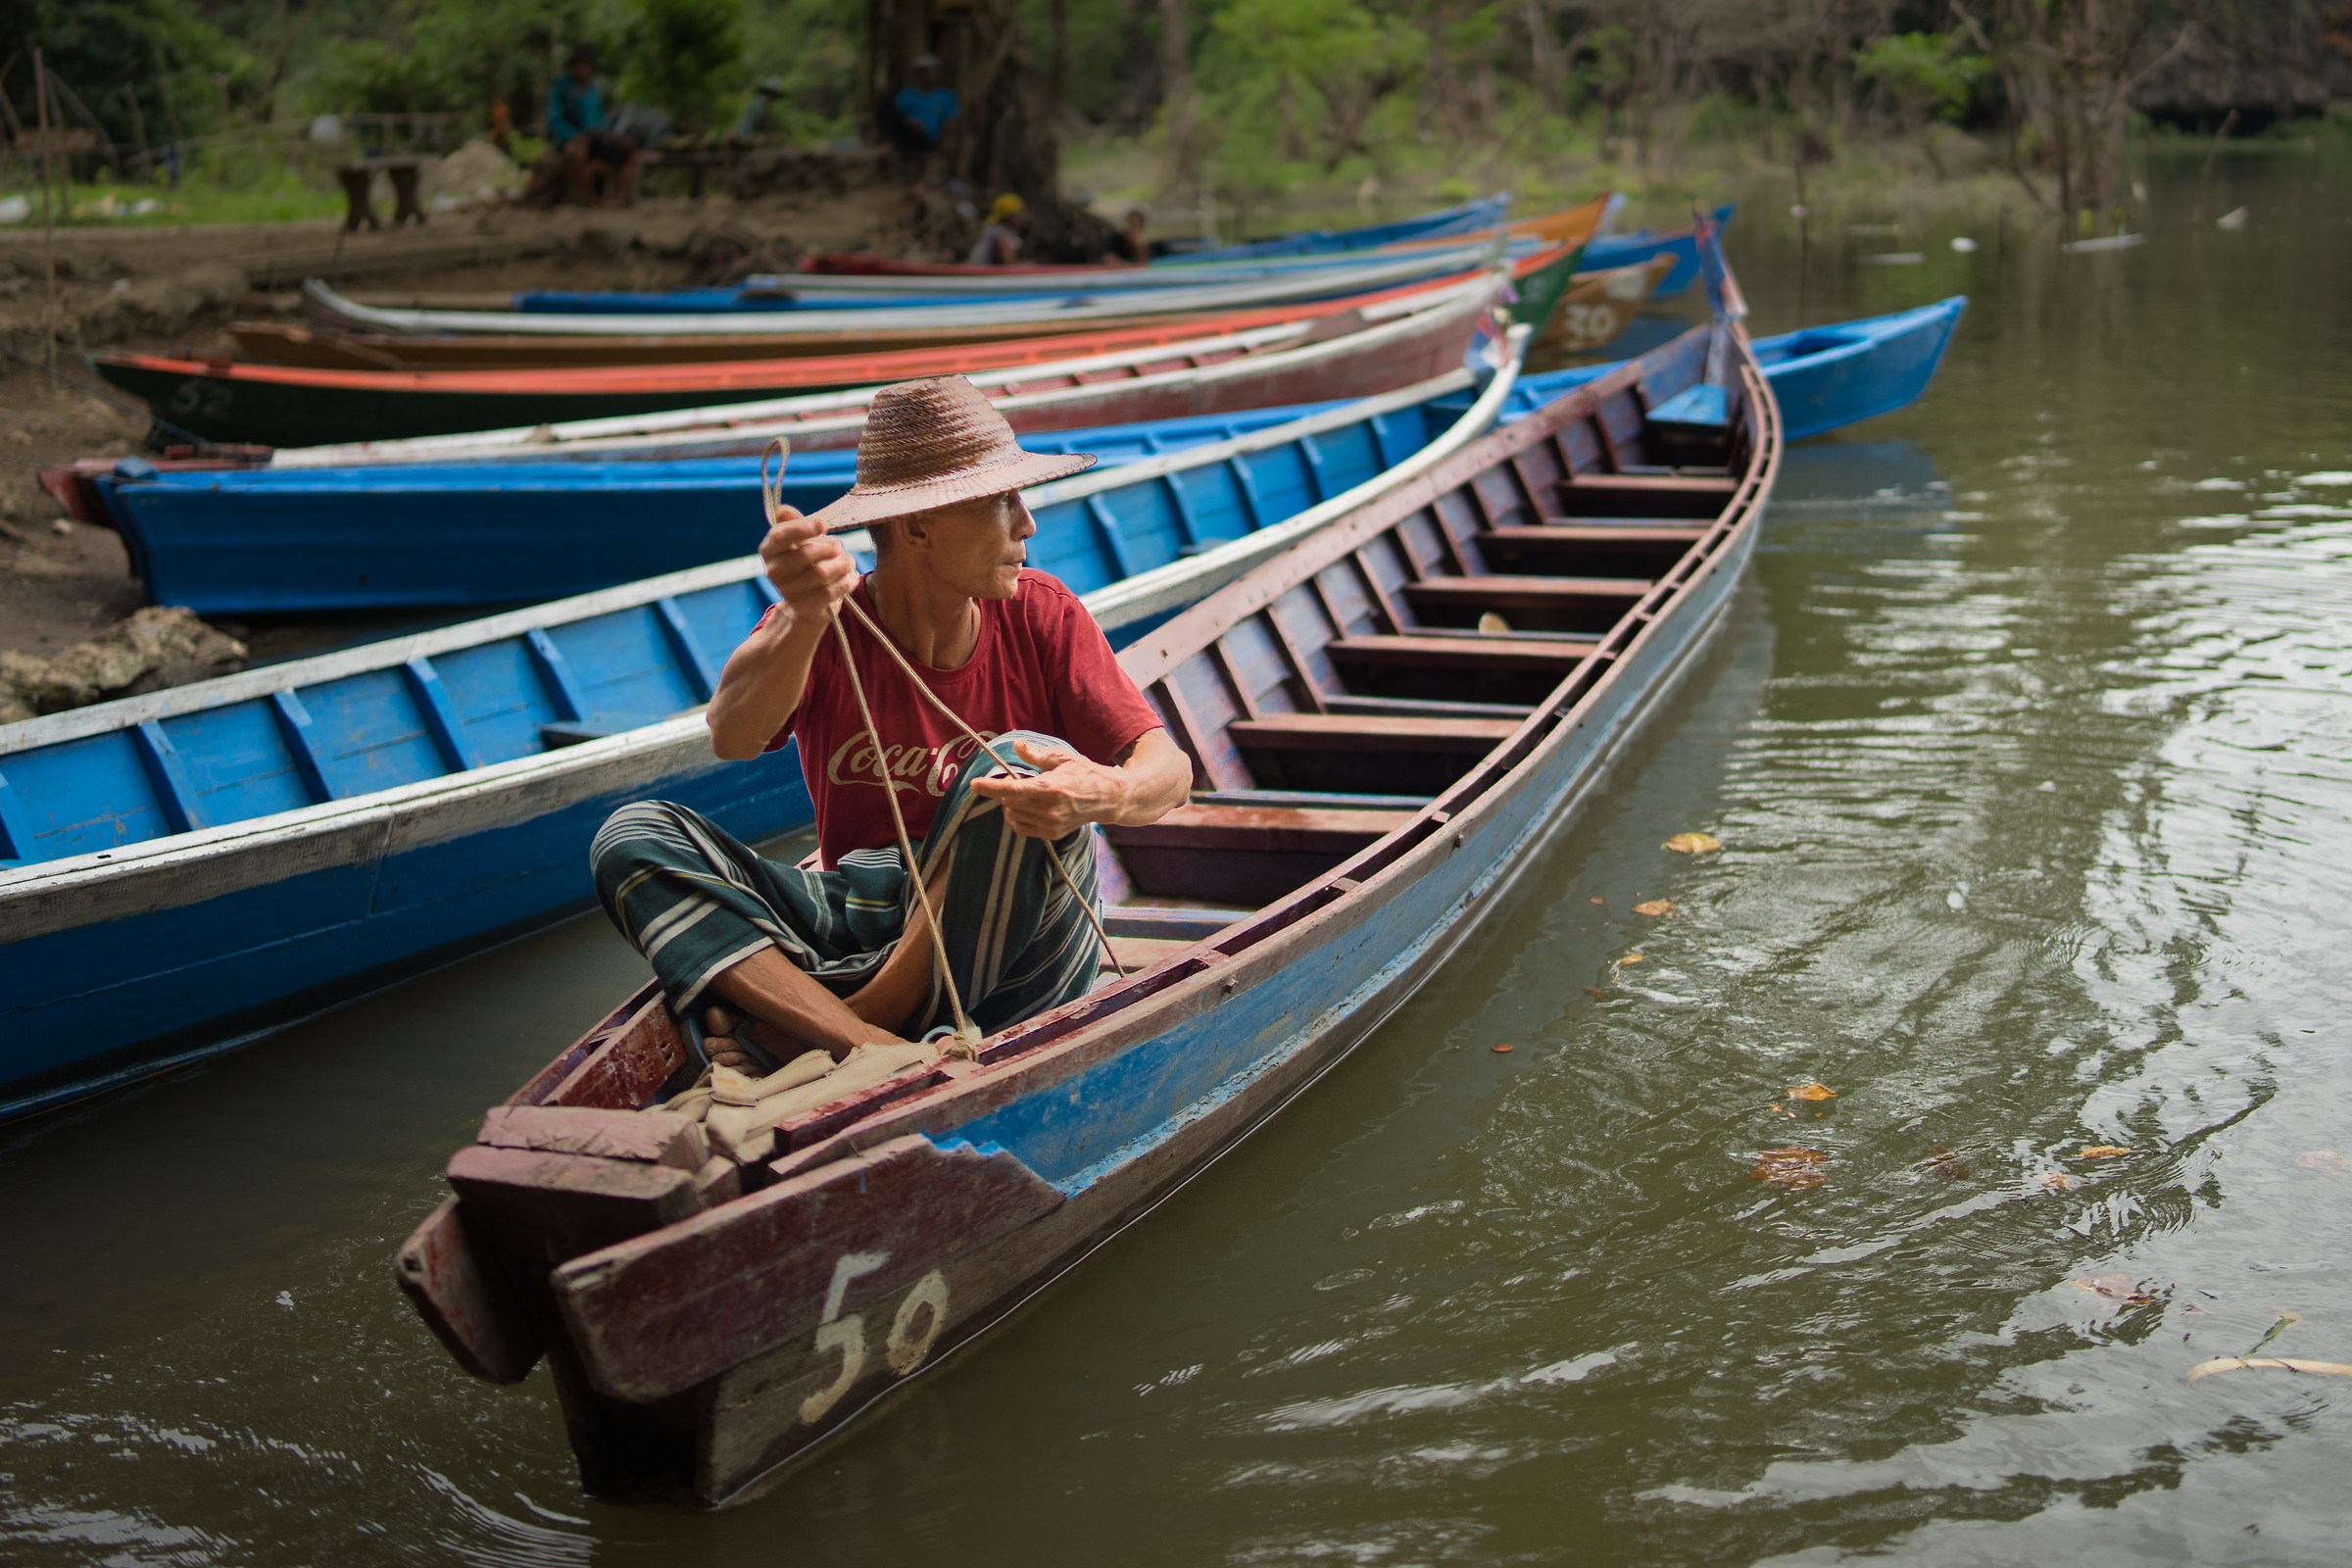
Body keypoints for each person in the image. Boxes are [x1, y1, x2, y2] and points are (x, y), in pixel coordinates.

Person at [592, 376, 1193, 1070]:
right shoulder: (820, 622)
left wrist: (1102, 791)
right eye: (1001, 502)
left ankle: (823, 1029)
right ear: (917, 527)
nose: (1027, 525)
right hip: (863, 923)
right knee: (632, 835)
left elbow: (1170, 773)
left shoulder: (1042, 611)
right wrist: (804, 615)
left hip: (1017, 954)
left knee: (1019, 765)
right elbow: (732, 736)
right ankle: (870, 1043)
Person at [535, 43, 641, 208]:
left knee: (629, 149)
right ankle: (591, 201)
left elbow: (601, 120)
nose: (585, 69)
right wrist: (574, 136)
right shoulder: (560, 87)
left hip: (596, 137)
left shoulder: (593, 89)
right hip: (572, 138)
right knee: (576, 152)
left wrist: (612, 135)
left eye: (588, 65)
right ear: (573, 66)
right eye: (581, 65)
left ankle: (621, 200)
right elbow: (555, 121)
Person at [879, 54, 957, 173]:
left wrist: (941, 148)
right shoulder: (907, 95)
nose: (925, 75)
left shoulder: (946, 96)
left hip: (928, 138)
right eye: (921, 72)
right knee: (887, 101)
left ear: (936, 72)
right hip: (907, 134)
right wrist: (909, 121)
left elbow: (949, 123)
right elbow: (894, 117)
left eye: (928, 71)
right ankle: (888, 144)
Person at [968, 193, 1026, 266]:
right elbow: (1008, 263)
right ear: (1009, 217)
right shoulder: (999, 233)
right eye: (1018, 214)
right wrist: (1026, 266)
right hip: (983, 271)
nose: (1022, 218)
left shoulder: (994, 230)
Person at [729, 75, 787, 141]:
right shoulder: (760, 104)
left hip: (745, 135)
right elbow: (751, 124)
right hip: (745, 136)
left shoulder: (760, 102)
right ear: (770, 93)